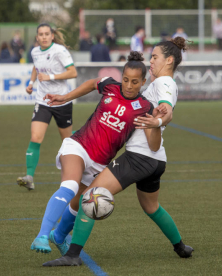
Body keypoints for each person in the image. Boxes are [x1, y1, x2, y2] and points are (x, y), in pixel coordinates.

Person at [42, 37, 194, 267]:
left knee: (89, 196)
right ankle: (181, 247)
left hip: (138, 158)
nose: (151, 60)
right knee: (151, 207)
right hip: (156, 159)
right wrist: (158, 121)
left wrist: (161, 119)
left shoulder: (164, 83)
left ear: (169, 60)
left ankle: (72, 255)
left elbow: (167, 110)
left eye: (155, 57)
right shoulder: (159, 82)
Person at [29, 51, 163, 257]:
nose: (128, 85)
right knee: (70, 185)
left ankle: (59, 236)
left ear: (143, 82)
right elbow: (92, 83)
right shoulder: (110, 86)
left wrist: (156, 124)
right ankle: (43, 235)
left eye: (134, 82)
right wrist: (65, 97)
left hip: (99, 164)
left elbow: (153, 146)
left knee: (79, 202)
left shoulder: (145, 107)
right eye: (125, 80)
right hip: (79, 146)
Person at [16, 23, 78, 191]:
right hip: (42, 101)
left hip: (61, 101)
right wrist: (31, 83)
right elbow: (36, 67)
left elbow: (73, 72)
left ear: (52, 36)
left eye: (46, 34)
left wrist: (50, 76)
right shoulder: (35, 51)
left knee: (67, 141)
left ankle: (77, 169)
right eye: (40, 34)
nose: (43, 37)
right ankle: (29, 177)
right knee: (36, 137)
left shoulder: (60, 51)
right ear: (37, 37)